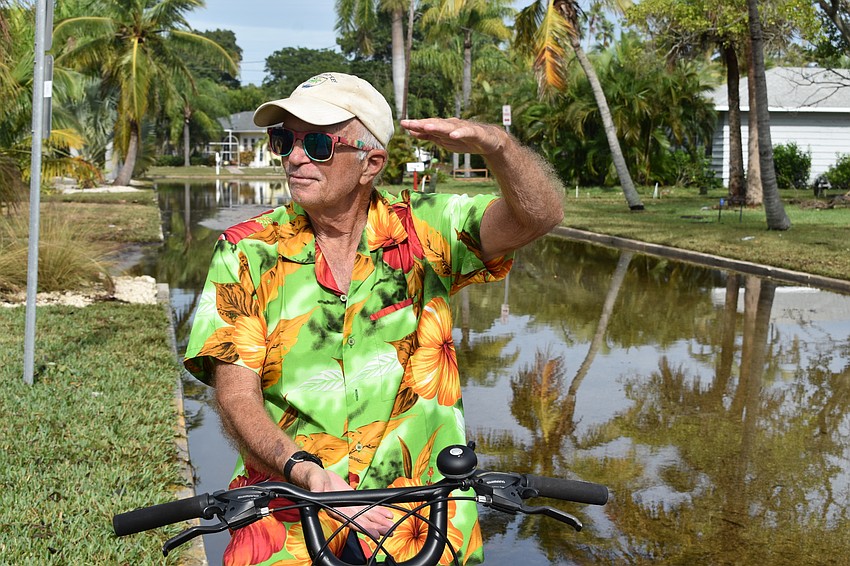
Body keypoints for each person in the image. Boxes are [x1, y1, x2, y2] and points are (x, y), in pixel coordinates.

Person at [183, 72, 565, 565]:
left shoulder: (424, 230)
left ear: (371, 163)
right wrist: (305, 471)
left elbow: (537, 216)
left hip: (422, 519)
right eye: (284, 141)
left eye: (317, 144)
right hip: (290, 511)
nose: (294, 157)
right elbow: (236, 395)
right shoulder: (246, 251)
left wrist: (500, 147)